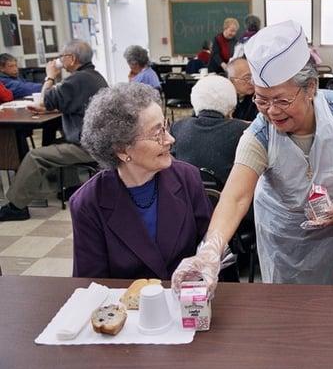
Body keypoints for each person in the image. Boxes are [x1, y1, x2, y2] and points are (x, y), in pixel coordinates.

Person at [171, 20, 333, 295]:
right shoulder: (259, 134)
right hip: (279, 232)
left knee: (324, 297)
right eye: (261, 100)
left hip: (330, 231)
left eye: (282, 100)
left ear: (310, 88)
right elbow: (235, 196)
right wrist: (211, 251)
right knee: (281, 299)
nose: (271, 112)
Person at [71, 82, 212, 279]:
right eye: (157, 134)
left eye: (166, 127)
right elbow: (91, 282)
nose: (170, 139)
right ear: (121, 150)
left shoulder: (188, 178)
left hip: (187, 300)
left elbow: (210, 246)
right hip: (127, 306)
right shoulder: (88, 203)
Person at [0, 39, 108, 221]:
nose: (59, 60)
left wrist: (50, 76)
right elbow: (73, 103)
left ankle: (16, 206)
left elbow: (42, 100)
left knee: (35, 156)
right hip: (98, 140)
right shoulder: (94, 76)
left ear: (71, 58)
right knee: (56, 143)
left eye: (62, 56)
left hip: (87, 145)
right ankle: (72, 187)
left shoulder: (76, 79)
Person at [171, 75, 249, 185]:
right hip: (226, 197)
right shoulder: (242, 130)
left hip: (185, 196)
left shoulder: (178, 127)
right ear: (231, 102)